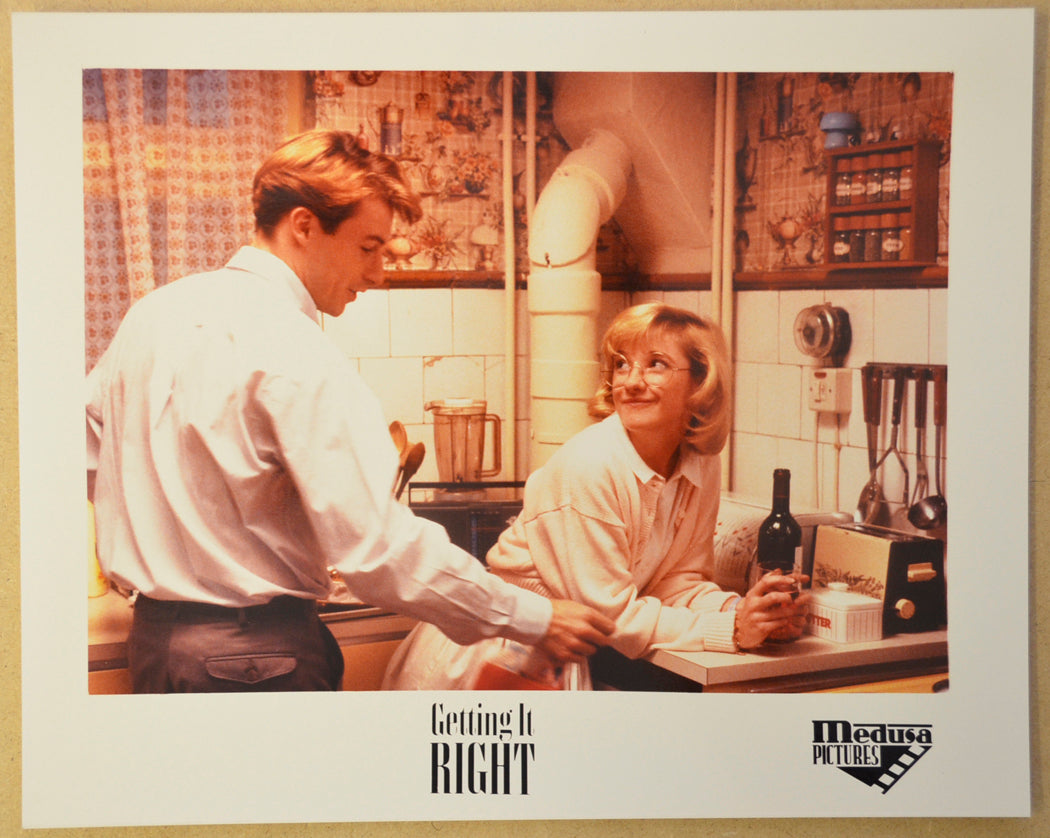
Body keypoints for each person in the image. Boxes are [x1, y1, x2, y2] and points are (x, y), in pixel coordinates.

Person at [86, 129, 613, 693]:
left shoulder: (154, 314)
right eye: (368, 248)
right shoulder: (295, 347)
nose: (378, 273)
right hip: (255, 658)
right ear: (304, 226)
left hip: (157, 646)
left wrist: (184, 528)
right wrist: (532, 616)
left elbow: (91, 451)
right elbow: (377, 548)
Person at [383, 302, 808, 691]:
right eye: (622, 365)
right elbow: (613, 617)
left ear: (702, 382)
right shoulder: (591, 465)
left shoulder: (700, 463)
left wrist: (753, 611)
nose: (632, 381)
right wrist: (732, 630)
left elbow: (677, 583)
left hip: (561, 650)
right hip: (504, 650)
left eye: (656, 364)